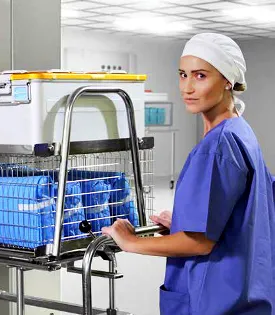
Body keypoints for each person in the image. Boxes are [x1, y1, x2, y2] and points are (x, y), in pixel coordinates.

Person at [102, 33, 275, 314]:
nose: (187, 87)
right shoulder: (241, 132)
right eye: (183, 75)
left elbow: (199, 243)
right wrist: (183, 223)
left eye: (200, 76)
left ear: (228, 80)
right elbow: (244, 215)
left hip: (214, 300)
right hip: (245, 294)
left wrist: (131, 242)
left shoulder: (218, 146)